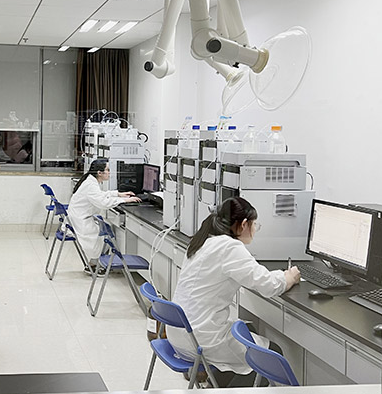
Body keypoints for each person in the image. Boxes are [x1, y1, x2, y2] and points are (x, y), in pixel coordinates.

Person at [165, 196, 301, 388]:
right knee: (271, 354)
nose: (255, 230)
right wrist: (289, 277)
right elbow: (268, 285)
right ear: (244, 224)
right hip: (200, 337)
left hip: (179, 332)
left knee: (249, 331)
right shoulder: (229, 247)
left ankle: (216, 387)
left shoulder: (204, 241)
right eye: (255, 225)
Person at [66, 159, 141, 270]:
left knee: (107, 230)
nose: (109, 173)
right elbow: (103, 203)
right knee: (105, 235)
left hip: (79, 217)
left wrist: (118, 194)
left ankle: (96, 264)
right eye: (108, 170)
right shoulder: (91, 185)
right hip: (80, 221)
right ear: (99, 173)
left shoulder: (91, 181)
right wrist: (124, 200)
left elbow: (100, 195)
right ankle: (95, 265)